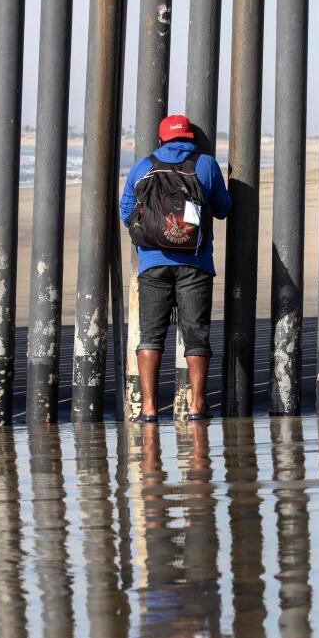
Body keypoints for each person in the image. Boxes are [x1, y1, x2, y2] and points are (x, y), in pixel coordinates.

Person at [120, 114, 231, 423]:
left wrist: (154, 232)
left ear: (161, 140)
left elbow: (126, 211)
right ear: (191, 139)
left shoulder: (144, 166)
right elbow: (223, 208)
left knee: (151, 336)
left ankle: (149, 409)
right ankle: (197, 406)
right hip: (195, 263)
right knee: (196, 336)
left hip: (152, 262)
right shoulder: (206, 164)